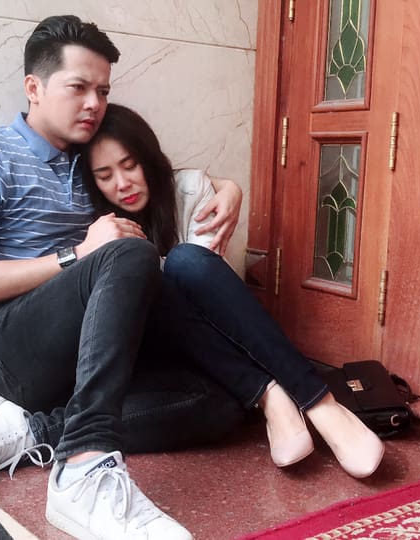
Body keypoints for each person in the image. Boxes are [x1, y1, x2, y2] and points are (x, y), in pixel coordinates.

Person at [0, 16, 245, 540]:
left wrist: (228, 187)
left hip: (79, 356)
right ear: (34, 87)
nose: (93, 103)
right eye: (78, 87)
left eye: (102, 91)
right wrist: (78, 254)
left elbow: (159, 177)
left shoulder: (92, 163)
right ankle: (83, 467)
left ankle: (34, 428)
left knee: (218, 404)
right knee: (128, 253)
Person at [81, 103, 386, 477]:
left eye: (130, 166)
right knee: (149, 281)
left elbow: (206, 288)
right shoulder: (97, 225)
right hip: (161, 354)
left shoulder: (189, 190)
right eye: (105, 175)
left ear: (149, 157)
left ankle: (318, 404)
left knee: (185, 262)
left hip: (210, 340)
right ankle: (274, 396)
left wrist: (227, 187)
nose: (122, 183)